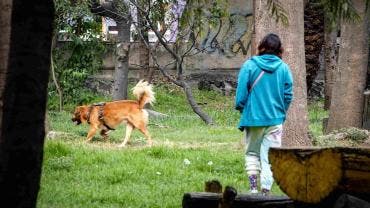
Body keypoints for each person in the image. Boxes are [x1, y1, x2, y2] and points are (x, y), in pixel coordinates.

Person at [235, 33, 293, 195]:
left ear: (261, 47)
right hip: (275, 121)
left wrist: (242, 108)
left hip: (253, 119)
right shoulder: (284, 68)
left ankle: (253, 189)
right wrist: (281, 112)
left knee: (252, 153)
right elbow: (288, 95)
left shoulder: (249, 65)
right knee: (270, 158)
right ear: (280, 49)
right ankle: (265, 191)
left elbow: (240, 95)